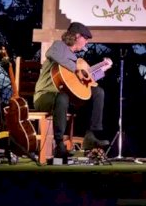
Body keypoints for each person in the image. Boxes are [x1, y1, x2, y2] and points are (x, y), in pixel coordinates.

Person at [33, 21, 112, 158]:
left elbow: (85, 80)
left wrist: (103, 69)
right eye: (85, 39)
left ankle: (91, 136)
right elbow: (51, 53)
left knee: (98, 92)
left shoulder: (76, 60)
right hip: (45, 96)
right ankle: (59, 145)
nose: (86, 42)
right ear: (76, 36)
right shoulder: (59, 46)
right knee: (62, 97)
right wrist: (77, 69)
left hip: (66, 97)